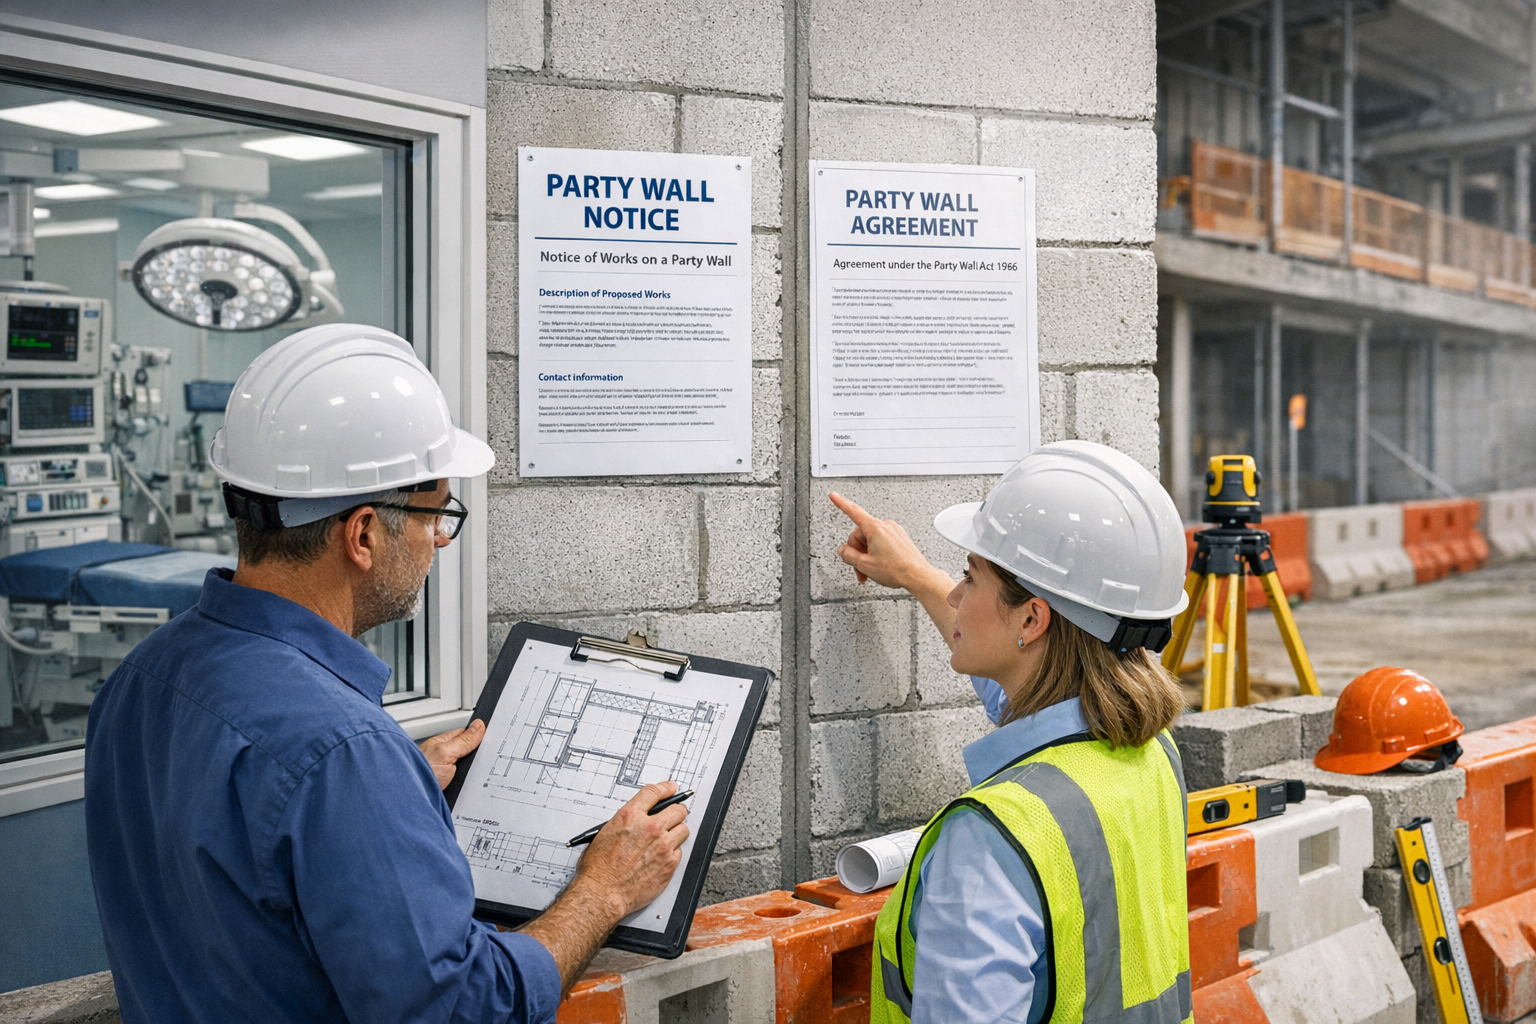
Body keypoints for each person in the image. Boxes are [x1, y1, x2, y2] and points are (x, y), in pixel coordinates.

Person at [85, 324, 688, 1024]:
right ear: (364, 534)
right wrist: (606, 890)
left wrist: (386, 795)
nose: (439, 538)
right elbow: (460, 1009)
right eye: (436, 514)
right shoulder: (342, 755)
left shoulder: (142, 679)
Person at [831, 440, 1194, 1024]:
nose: (954, 594)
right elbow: (1024, 690)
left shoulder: (988, 841)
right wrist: (916, 575)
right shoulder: (1152, 753)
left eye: (969, 578)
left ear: (1032, 619)